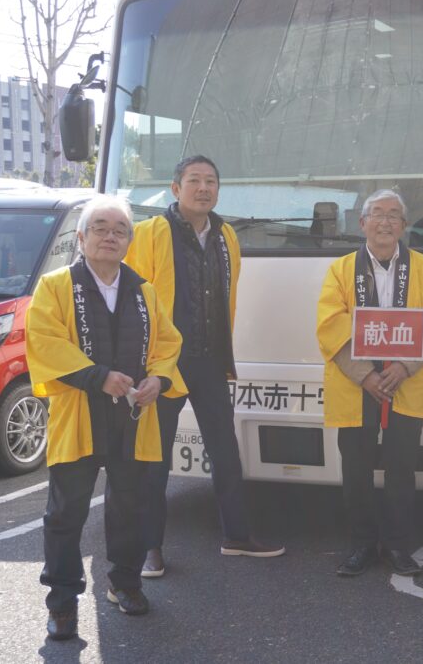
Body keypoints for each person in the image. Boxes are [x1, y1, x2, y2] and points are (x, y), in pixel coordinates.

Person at [27, 195, 186, 640]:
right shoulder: (56, 286)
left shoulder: (144, 291)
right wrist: (97, 377)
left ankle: (126, 582)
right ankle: (62, 603)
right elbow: (43, 339)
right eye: (100, 227)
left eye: (120, 229)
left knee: (131, 506)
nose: (110, 236)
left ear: (130, 241)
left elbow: (169, 344)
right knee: (65, 513)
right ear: (81, 237)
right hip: (79, 414)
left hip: (135, 416)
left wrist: (159, 378)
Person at [125, 155, 284, 579]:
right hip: (163, 364)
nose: (203, 188)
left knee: (226, 451)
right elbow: (132, 301)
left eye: (211, 181)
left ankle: (237, 535)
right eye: (194, 180)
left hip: (211, 359)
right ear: (175, 189)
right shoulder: (150, 233)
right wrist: (141, 363)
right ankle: (149, 548)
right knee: (154, 460)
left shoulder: (227, 235)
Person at [316, 189, 423, 577]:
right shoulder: (342, 269)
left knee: (401, 469)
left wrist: (405, 366)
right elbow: (329, 325)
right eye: (377, 214)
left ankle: (397, 546)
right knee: (356, 469)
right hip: (355, 384)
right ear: (362, 223)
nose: (385, 221)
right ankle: (361, 545)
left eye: (394, 215)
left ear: (404, 225)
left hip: (405, 382)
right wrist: (366, 375)